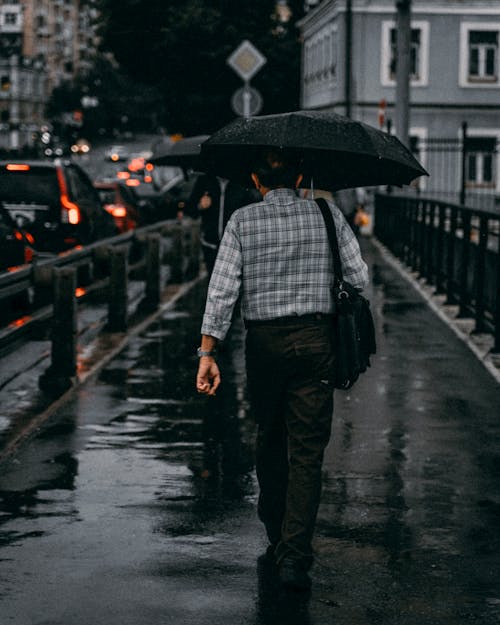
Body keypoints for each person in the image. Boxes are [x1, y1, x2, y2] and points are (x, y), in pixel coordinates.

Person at [195, 149, 369, 591]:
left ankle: (275, 531)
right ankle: (295, 554)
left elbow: (222, 290)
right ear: (300, 176)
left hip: (264, 343)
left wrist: (208, 352)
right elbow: (359, 277)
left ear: (255, 178)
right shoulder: (327, 215)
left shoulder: (241, 220)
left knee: (270, 437)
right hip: (317, 341)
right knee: (308, 450)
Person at [187, 174, 259, 275]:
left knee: (233, 283)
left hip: (234, 246)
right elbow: (190, 210)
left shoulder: (241, 183)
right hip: (210, 245)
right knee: (213, 284)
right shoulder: (205, 180)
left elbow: (253, 209)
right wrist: (200, 205)